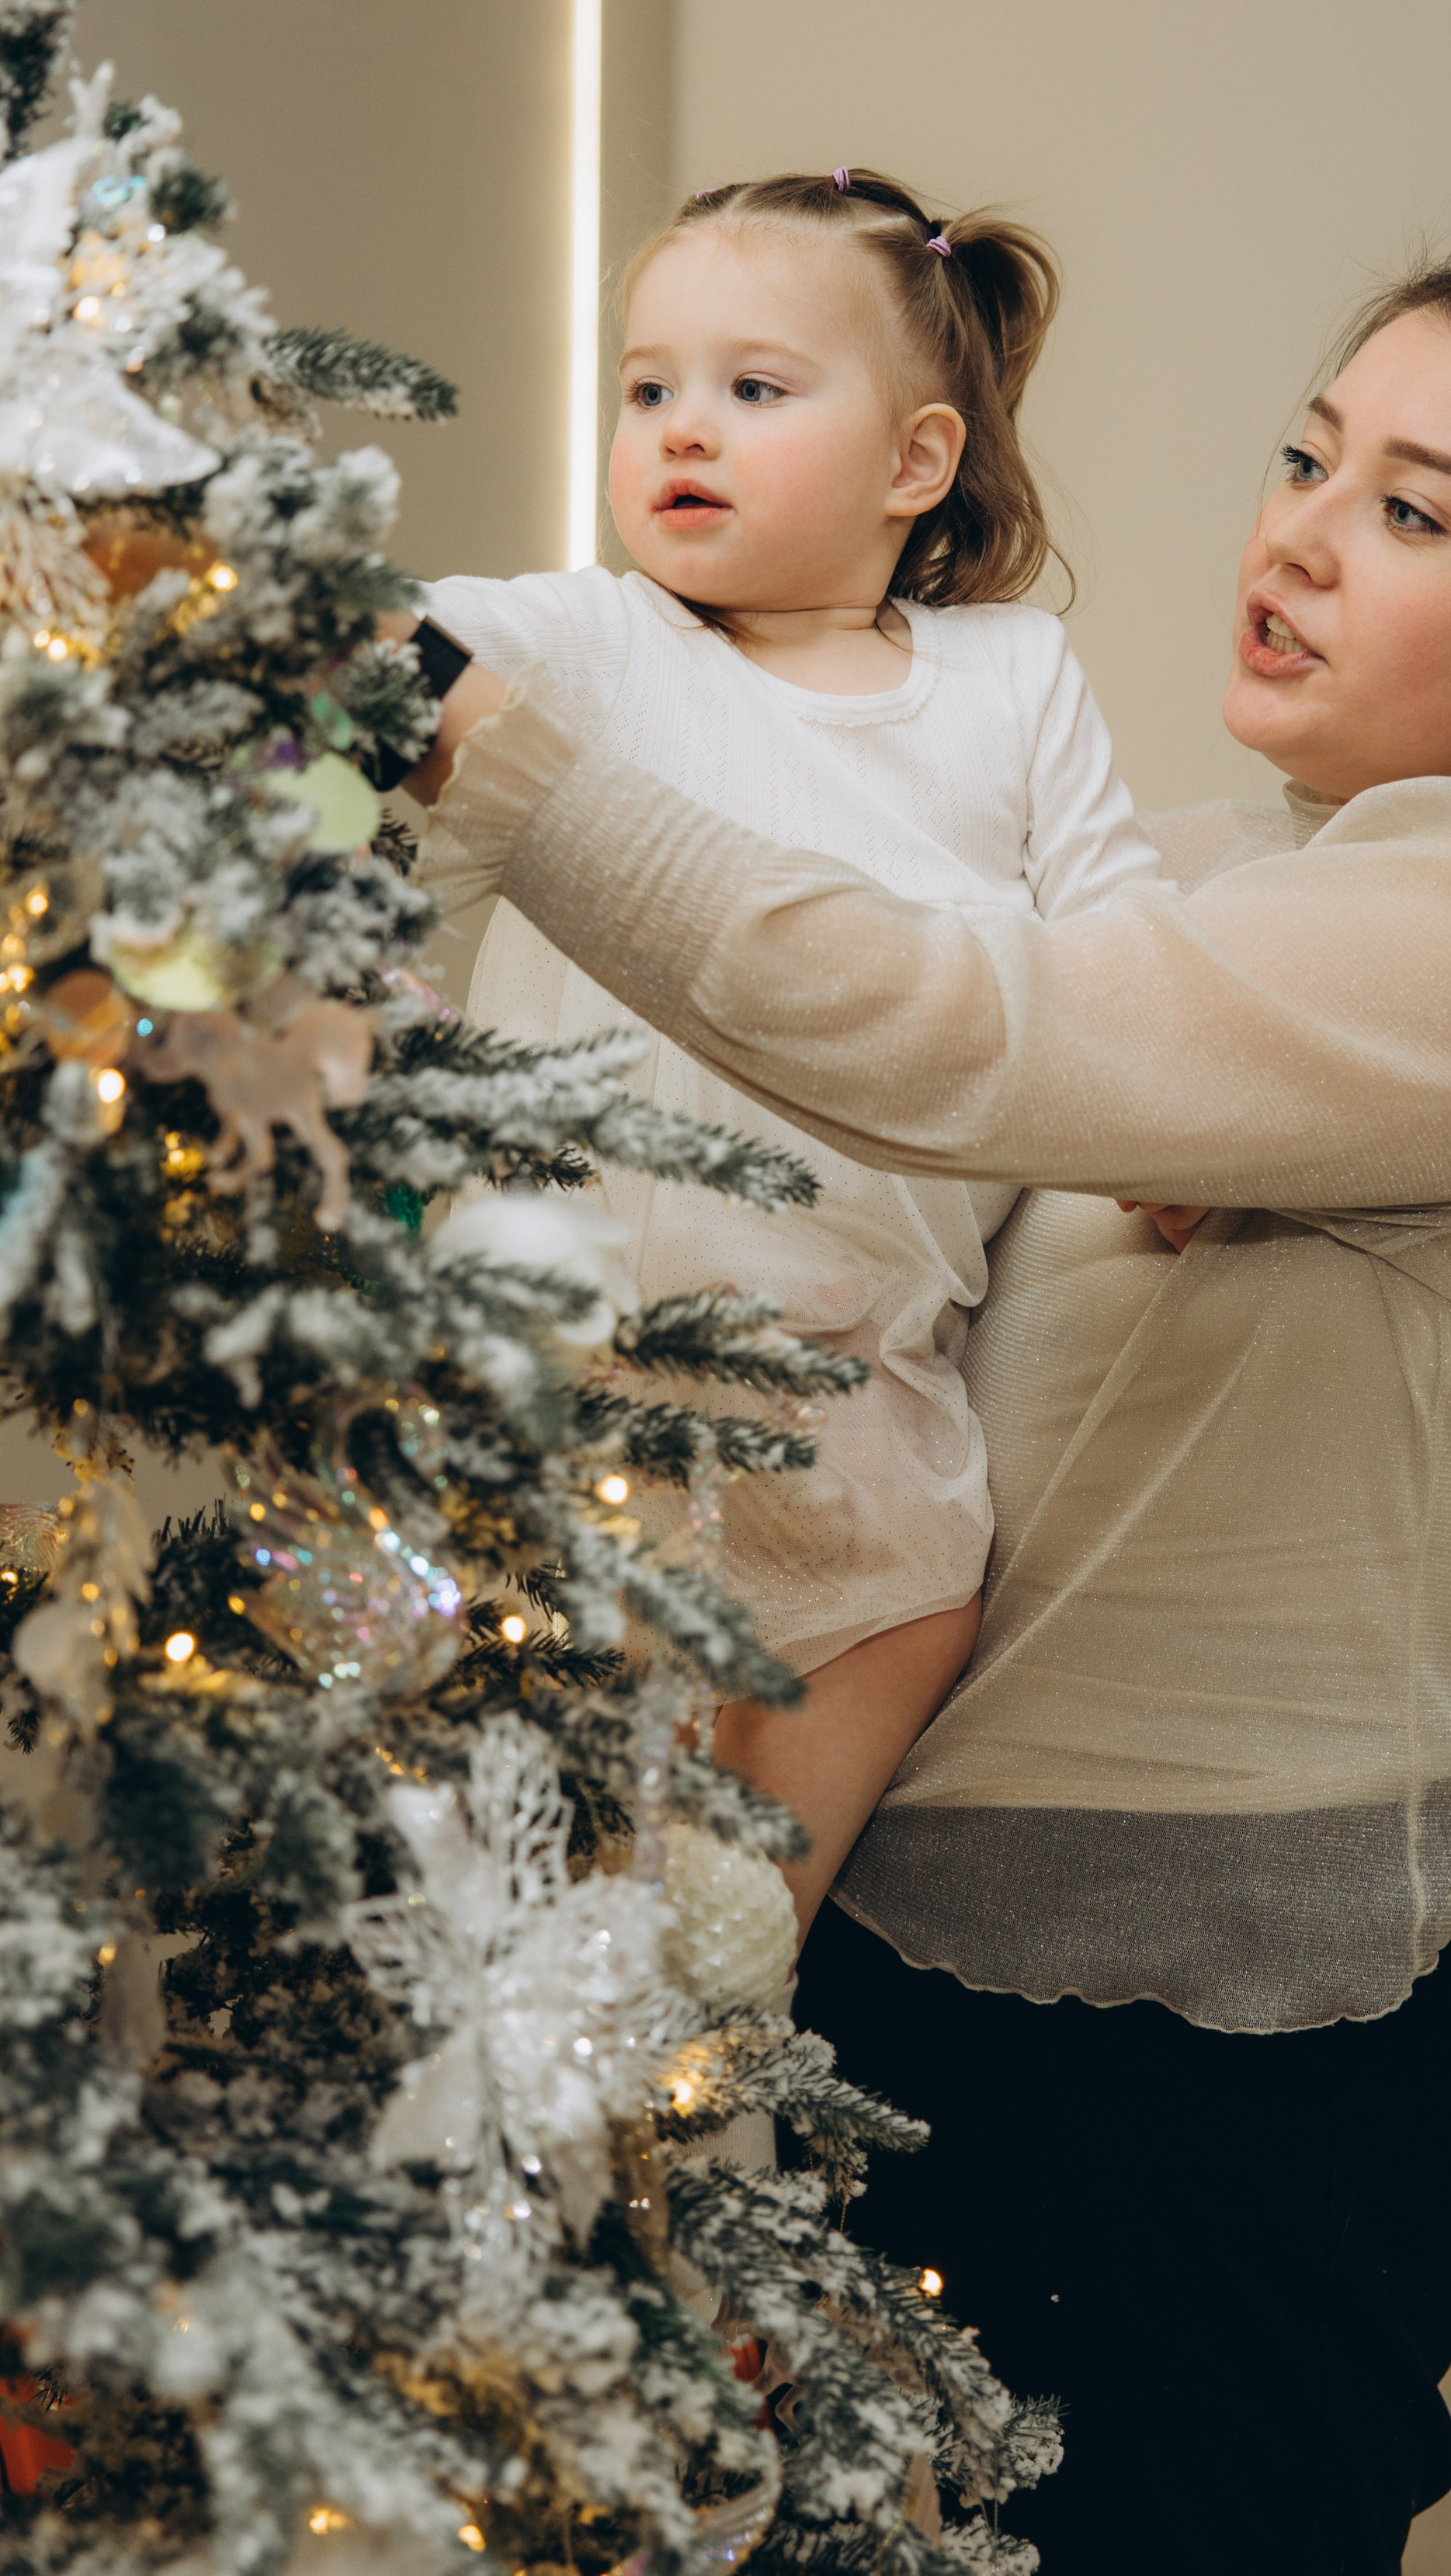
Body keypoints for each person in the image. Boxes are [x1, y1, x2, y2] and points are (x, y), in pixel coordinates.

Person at [409, 256, 1451, 2574]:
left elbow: (949, 1031)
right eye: (1303, 457)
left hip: (1221, 2092)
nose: (1303, 537)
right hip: (916, 1993)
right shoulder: (1227, 896)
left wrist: (512, 765)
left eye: (1422, 512)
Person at [413, 169, 1155, 1932]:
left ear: (915, 463)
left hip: (857, 1365)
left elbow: (1127, 950)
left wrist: (1167, 1148)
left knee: (908, 1598)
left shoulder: (1008, 679)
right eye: (646, 386)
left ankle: (748, 1949)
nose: (681, 428)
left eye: (752, 389)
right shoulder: (603, 642)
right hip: (562, 1358)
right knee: (543, 1822)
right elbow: (419, 656)